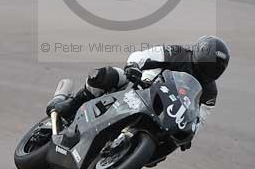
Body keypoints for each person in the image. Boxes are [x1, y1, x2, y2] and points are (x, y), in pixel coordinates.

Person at [49, 36, 230, 123]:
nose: (209, 70)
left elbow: (200, 119)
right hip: (139, 87)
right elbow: (142, 55)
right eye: (208, 64)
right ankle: (72, 104)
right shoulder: (177, 53)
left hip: (163, 115)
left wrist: (191, 129)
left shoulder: (210, 92)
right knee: (106, 75)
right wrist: (133, 68)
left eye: (215, 68)